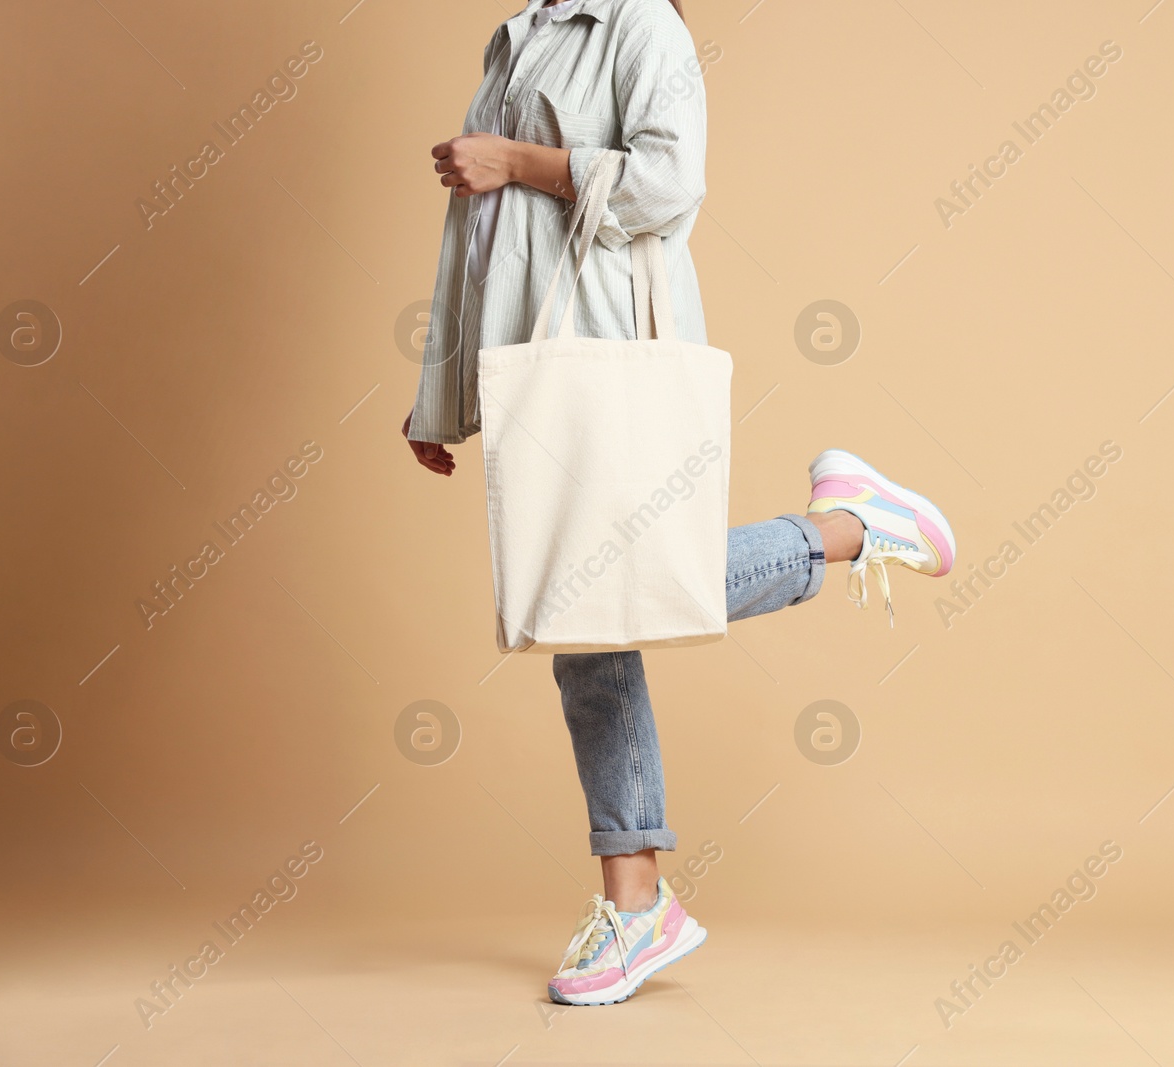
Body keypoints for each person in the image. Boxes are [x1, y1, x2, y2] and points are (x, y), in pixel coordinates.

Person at [402, 0, 957, 1006]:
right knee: (584, 620)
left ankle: (850, 528)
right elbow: (472, 234)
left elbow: (668, 182)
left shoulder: (641, 25)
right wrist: (439, 396)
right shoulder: (520, 34)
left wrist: (518, 160)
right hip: (533, 353)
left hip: (610, 342)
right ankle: (638, 900)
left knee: (596, 600)